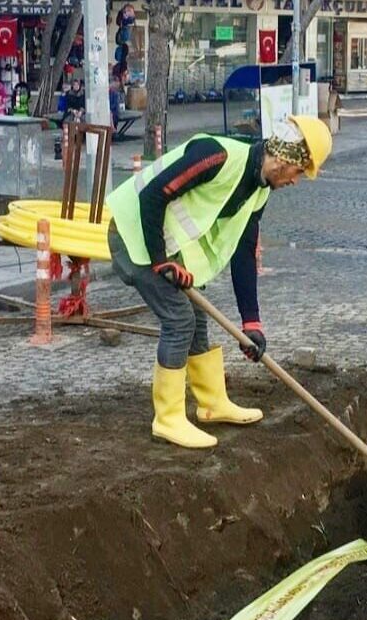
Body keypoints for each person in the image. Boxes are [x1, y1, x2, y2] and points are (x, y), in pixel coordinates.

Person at [106, 116, 332, 449]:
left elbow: (244, 251)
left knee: (196, 317)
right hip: (133, 234)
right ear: (285, 160)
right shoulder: (217, 155)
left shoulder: (259, 191)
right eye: (300, 172)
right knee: (179, 319)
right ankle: (167, 419)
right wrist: (160, 260)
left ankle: (212, 404)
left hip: (165, 245)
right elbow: (153, 195)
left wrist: (251, 323)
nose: (296, 181)